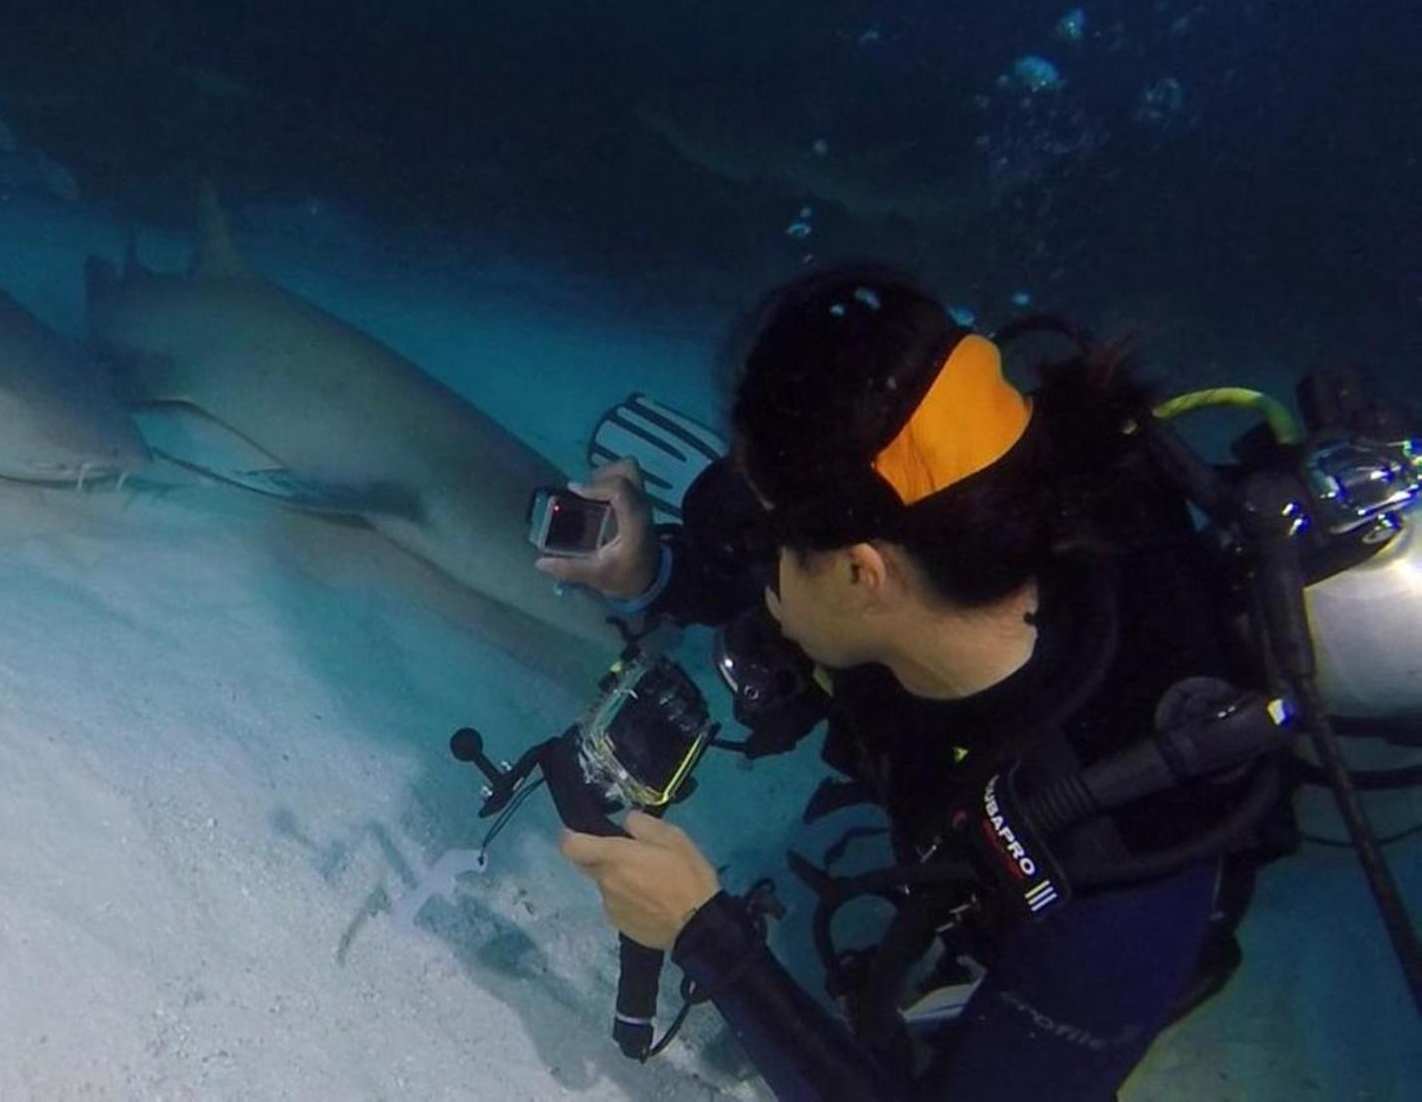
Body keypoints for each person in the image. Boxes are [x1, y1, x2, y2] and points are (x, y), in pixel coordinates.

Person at [539, 264, 1278, 1101]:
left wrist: (703, 932)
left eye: (781, 538)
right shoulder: (973, 508)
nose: (763, 566)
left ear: (863, 574)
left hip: (1086, 921)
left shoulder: (1121, 861)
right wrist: (654, 571)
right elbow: (780, 559)